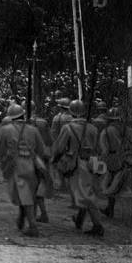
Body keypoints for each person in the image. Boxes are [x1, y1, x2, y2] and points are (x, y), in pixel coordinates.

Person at [52, 100, 105, 236]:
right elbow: (99, 148)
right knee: (83, 192)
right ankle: (80, 219)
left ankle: (98, 225)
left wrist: (55, 159)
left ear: (71, 111)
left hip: (77, 163)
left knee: (85, 195)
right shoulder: (92, 128)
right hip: (93, 163)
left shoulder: (68, 128)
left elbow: (59, 147)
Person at [0, 103, 46, 237]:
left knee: (25, 195)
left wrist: (3, 161)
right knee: (28, 193)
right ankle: (23, 216)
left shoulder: (5, 130)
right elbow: (41, 149)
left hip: (16, 164)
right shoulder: (33, 129)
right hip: (32, 163)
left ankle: (33, 226)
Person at [98, 108, 132, 219]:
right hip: (130, 161)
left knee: (109, 184)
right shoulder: (131, 131)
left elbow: (104, 151)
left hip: (114, 162)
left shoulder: (106, 131)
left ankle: (110, 209)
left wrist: (100, 162)